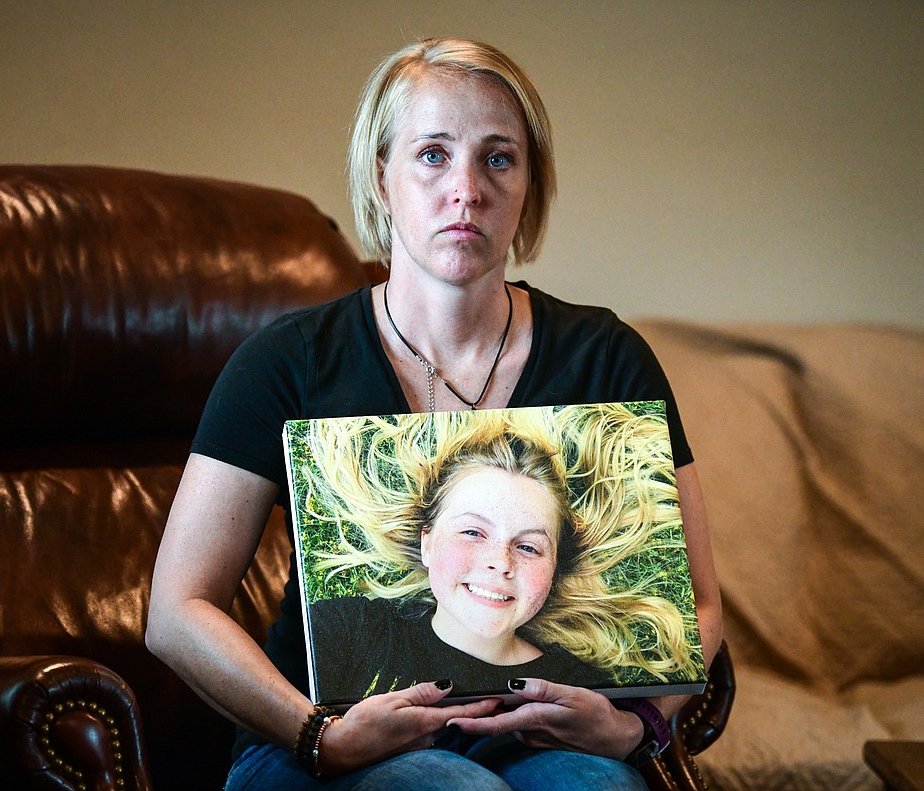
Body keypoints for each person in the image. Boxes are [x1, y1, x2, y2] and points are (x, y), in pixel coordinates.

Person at [147, 36, 723, 791]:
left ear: (528, 187)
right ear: (381, 175)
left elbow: (704, 603)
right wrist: (316, 731)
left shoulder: (608, 358)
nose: (467, 189)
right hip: (314, 743)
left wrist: (636, 726)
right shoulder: (286, 361)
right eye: (432, 155)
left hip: (544, 741)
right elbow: (176, 610)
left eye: (498, 158)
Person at [299, 407, 703, 706]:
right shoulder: (348, 630)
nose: (501, 562)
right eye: (473, 532)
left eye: (528, 547)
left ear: (555, 568)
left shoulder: (579, 689)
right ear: (426, 542)